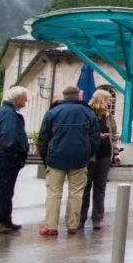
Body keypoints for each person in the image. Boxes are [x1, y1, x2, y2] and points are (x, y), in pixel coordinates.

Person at [38, 86, 99, 235]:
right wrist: (87, 153)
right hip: (79, 158)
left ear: (64, 96)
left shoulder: (52, 112)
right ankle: (72, 225)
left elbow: (43, 138)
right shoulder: (88, 113)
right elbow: (95, 138)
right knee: (76, 193)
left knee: (54, 193)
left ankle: (51, 226)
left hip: (55, 158)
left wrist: (46, 157)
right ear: (78, 96)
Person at [0, 86, 30, 234]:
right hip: (6, 158)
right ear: (18, 99)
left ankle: (5, 219)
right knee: (4, 190)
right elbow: (10, 138)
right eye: (25, 98)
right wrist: (17, 153)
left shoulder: (4, 112)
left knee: (6, 189)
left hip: (0, 155)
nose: (26, 101)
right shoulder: (9, 114)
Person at [79, 89, 119, 231]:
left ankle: (97, 218)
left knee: (100, 188)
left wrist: (115, 152)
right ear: (101, 100)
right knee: (85, 188)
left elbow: (114, 135)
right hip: (90, 156)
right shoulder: (88, 114)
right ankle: (80, 218)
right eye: (108, 100)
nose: (110, 102)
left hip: (104, 155)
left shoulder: (109, 117)